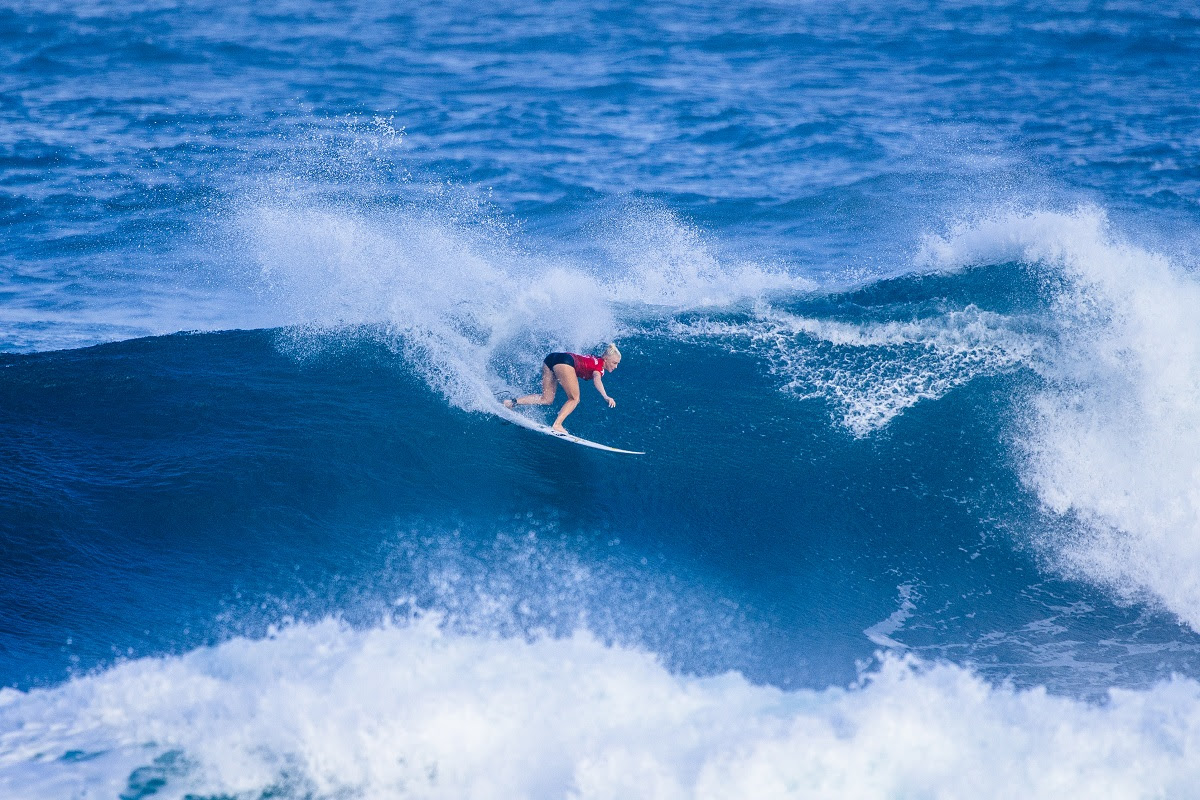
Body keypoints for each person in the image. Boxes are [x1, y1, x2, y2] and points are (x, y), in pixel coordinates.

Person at [504, 343, 621, 433]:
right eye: (614, 363)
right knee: (574, 399)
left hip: (552, 358)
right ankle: (557, 425)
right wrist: (606, 396)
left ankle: (511, 402)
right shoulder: (599, 367)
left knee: (546, 399)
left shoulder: (594, 359)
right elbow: (597, 379)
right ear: (606, 359)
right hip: (566, 362)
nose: (616, 366)